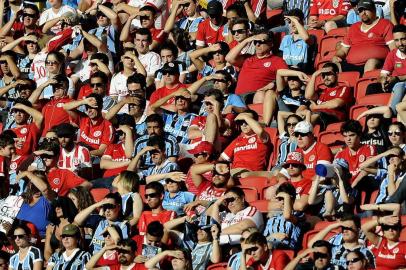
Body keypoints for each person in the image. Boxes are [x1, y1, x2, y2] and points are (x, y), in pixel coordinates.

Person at [333, 0, 396, 73]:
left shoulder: (385, 24)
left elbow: (393, 49)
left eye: (366, 9)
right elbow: (343, 50)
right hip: (351, 64)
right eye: (360, 10)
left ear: (374, 10)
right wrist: (337, 56)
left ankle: (366, 82)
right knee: (331, 67)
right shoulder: (354, 27)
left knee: (371, 63)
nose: (363, 13)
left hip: (376, 63)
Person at [226, 30, 288, 103]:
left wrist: (274, 84)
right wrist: (246, 40)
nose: (258, 44)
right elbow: (228, 58)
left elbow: (285, 79)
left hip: (257, 95)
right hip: (238, 98)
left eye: (261, 42)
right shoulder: (247, 58)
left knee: (260, 95)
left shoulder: (277, 60)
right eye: (255, 42)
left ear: (271, 43)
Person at [308, 214, 375, 268]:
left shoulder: (366, 253)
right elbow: (311, 245)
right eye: (343, 228)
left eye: (348, 228)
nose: (345, 231)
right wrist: (330, 227)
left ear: (358, 230)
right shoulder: (332, 248)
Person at [220, 110, 271, 175]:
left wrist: (244, 116)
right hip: (236, 172)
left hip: (252, 173)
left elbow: (260, 131)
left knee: (243, 175)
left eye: (247, 121)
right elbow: (222, 158)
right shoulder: (237, 140)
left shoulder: (261, 137)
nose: (244, 124)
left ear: (255, 122)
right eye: (241, 122)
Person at [63, 93, 114, 158]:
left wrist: (82, 154)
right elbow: (65, 107)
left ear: (100, 107)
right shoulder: (83, 118)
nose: (89, 110)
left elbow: (102, 151)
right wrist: (84, 101)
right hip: (79, 153)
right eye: (87, 107)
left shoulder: (107, 126)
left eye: (92, 107)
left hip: (94, 157)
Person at [304, 62, 353, 127]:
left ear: (336, 74)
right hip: (318, 117)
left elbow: (336, 104)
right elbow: (308, 96)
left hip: (334, 117)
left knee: (314, 116)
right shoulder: (320, 92)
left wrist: (316, 107)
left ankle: (304, 132)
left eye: (329, 74)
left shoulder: (344, 88)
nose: (326, 78)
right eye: (323, 75)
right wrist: (314, 75)